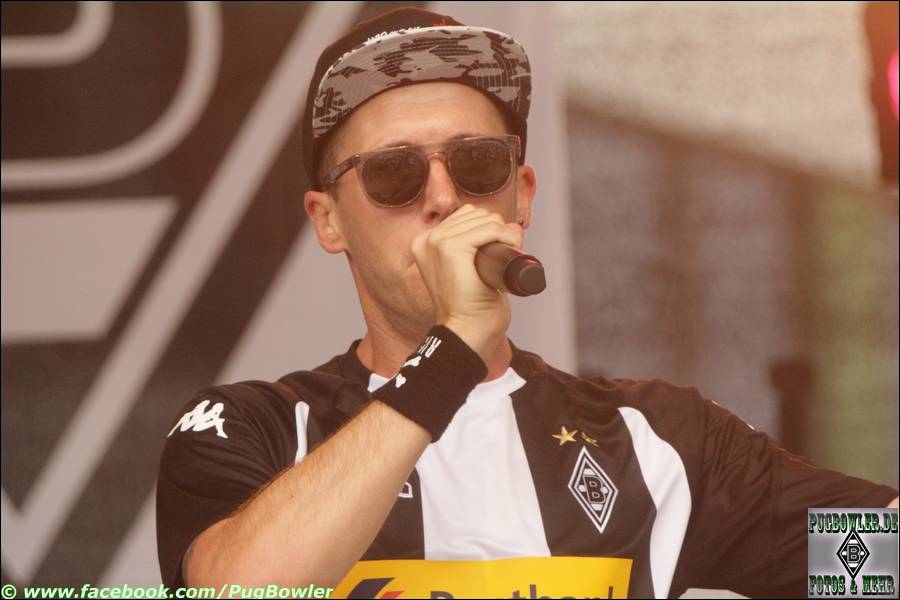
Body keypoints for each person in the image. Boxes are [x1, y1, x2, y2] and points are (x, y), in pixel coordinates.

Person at [156, 7, 898, 598]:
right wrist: (452, 351)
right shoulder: (253, 429)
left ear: (521, 195)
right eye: (394, 173)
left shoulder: (656, 441)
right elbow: (235, 590)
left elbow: (881, 561)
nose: (444, 197)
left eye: (477, 162)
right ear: (329, 221)